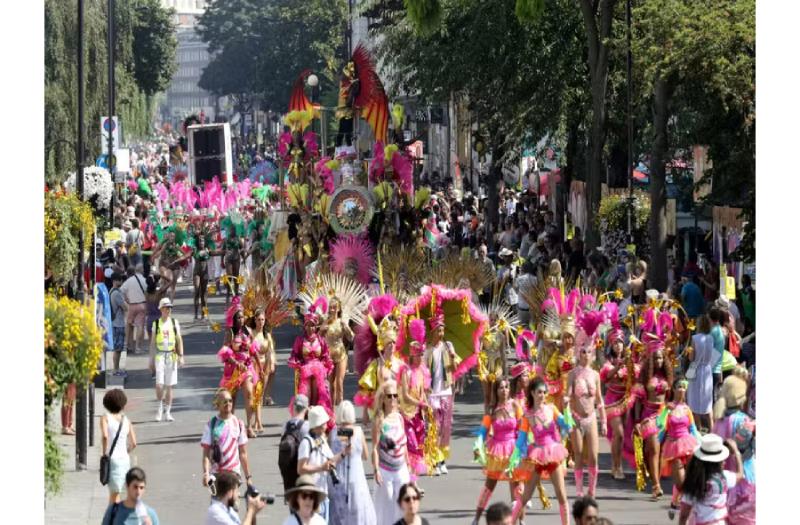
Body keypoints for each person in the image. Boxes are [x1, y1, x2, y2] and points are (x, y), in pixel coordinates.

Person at [511, 377, 573, 525]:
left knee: (562, 496)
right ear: (532, 393)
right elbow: (521, 439)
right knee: (525, 497)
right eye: (539, 392)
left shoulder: (552, 409)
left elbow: (567, 426)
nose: (543, 395)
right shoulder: (527, 415)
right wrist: (514, 458)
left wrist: (566, 408)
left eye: (545, 392)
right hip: (537, 457)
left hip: (553, 454)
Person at [471, 377, 523, 525]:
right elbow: (483, 430)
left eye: (506, 387)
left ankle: (519, 521)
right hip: (497, 450)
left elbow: (522, 429)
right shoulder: (492, 408)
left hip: (513, 449)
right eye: (501, 387)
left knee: (517, 489)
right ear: (496, 390)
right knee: (489, 486)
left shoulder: (515, 405)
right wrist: (478, 445)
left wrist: (520, 450)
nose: (504, 390)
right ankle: (476, 518)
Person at [567, 313, 606, 498]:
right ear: (578, 352)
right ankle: (579, 489)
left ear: (592, 354)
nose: (586, 355)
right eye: (583, 351)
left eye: (589, 352)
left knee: (594, 456)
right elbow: (567, 395)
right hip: (576, 418)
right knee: (579, 455)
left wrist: (603, 421)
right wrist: (566, 407)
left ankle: (592, 489)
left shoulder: (595, 375)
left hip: (591, 419)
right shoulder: (573, 374)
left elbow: (599, 398)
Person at [712, 367, 755, 524]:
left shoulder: (718, 419)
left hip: (724, 477)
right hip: (743, 475)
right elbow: (746, 448)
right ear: (741, 398)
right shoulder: (743, 420)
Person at [327, 401, 377, 525]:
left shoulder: (333, 433)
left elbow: (329, 456)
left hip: (338, 479)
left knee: (339, 512)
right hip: (356, 479)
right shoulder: (358, 431)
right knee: (358, 511)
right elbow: (365, 455)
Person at [599, 316, 636, 480]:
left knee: (622, 435)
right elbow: (605, 377)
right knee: (619, 433)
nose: (618, 345)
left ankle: (616, 464)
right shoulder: (608, 361)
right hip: (612, 401)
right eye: (615, 343)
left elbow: (636, 375)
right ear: (611, 345)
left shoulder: (629, 359)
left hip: (626, 400)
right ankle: (617, 466)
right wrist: (618, 367)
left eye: (620, 342)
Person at [678, 434, 744, 525]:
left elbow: (684, 515)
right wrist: (736, 453)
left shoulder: (693, 481)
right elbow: (740, 475)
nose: (724, 462)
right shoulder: (724, 477)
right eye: (722, 460)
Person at [423, 310, 458, 475]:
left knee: (445, 427)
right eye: (438, 330)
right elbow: (423, 372)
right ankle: (434, 460)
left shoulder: (448, 346)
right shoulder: (427, 349)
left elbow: (455, 369)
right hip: (432, 393)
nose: (441, 333)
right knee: (434, 428)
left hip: (446, 391)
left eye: (443, 330)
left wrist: (452, 357)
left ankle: (442, 460)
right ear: (433, 331)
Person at [660, 378, 701, 518]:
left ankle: (682, 508)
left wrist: (701, 445)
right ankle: (675, 503)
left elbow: (693, 429)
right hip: (673, 447)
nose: (682, 389)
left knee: (690, 481)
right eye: (679, 386)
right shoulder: (667, 407)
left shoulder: (687, 409)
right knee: (681, 482)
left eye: (684, 386)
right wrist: (666, 411)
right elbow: (660, 426)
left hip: (689, 445)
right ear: (673, 389)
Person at [298, 405, 347, 522]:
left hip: (323, 494)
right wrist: (321, 467)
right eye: (324, 423)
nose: (326, 426)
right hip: (311, 495)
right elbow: (300, 469)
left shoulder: (321, 440)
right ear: (317, 424)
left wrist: (344, 453)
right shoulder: (306, 443)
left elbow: (330, 460)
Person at [289, 304, 335, 425]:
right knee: (306, 396)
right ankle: (305, 419)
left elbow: (325, 355)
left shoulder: (321, 340)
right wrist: (296, 362)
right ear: (305, 326)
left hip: (319, 371)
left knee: (318, 394)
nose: (310, 328)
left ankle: (318, 418)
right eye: (308, 325)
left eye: (313, 326)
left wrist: (326, 364)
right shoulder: (300, 340)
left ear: (316, 326)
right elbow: (295, 354)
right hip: (305, 370)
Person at [372, 382, 411, 525]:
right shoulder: (379, 421)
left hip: (401, 468)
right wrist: (376, 470)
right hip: (385, 470)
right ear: (383, 399)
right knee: (386, 507)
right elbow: (375, 448)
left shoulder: (400, 418)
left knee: (403, 506)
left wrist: (408, 464)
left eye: (395, 396)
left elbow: (404, 443)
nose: (393, 399)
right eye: (389, 396)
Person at [398, 319, 431, 479]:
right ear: (413, 355)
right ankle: (409, 479)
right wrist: (420, 403)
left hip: (419, 416)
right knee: (410, 444)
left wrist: (426, 404)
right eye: (419, 355)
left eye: (422, 355)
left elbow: (422, 392)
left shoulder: (421, 372)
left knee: (418, 446)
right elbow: (404, 395)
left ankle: (413, 479)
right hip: (407, 415)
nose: (421, 358)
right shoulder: (406, 372)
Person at [201, 388, 253, 488]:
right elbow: (206, 454)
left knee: (232, 502)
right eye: (224, 401)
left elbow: (243, 453)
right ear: (217, 404)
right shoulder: (211, 425)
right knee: (217, 503)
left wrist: (248, 477)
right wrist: (206, 473)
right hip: (215, 475)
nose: (228, 403)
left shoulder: (238, 423)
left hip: (233, 474)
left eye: (230, 401)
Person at [147, 297, 184, 422]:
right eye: (166, 307)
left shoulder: (174, 322)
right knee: (159, 385)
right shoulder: (156, 324)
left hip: (171, 356)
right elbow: (152, 343)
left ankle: (168, 412)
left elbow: (179, 339)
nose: (168, 310)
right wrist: (150, 360)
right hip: (160, 356)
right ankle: (159, 407)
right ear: (161, 309)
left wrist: (181, 356)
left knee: (169, 386)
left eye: (170, 308)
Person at [217, 334, 260, 437]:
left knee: (249, 393)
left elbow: (253, 352)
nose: (241, 319)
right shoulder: (229, 332)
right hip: (231, 372)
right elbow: (225, 354)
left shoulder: (247, 331)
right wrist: (236, 363)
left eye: (242, 317)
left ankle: (249, 427)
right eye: (238, 317)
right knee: (231, 398)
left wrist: (260, 368)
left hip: (246, 370)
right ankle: (229, 426)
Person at [100, 389, 137, 504]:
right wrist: (126, 451)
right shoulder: (126, 420)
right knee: (119, 492)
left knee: (113, 494)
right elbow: (134, 443)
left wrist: (104, 453)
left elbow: (105, 436)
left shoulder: (105, 418)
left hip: (113, 459)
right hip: (125, 459)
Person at [321, 297, 354, 407]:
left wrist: (347, 329)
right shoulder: (326, 322)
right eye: (330, 307)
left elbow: (351, 338)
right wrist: (321, 330)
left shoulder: (342, 322)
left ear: (339, 309)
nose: (332, 310)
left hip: (341, 354)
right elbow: (318, 338)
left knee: (340, 383)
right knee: (332, 385)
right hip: (329, 356)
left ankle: (341, 411)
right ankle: (332, 412)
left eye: (335, 307)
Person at [687, 314, 716, 431]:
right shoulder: (711, 338)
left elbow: (691, 358)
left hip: (697, 370)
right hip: (708, 370)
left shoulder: (695, 338)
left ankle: (697, 429)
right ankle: (712, 429)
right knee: (707, 402)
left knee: (695, 401)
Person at [121, 265, 148, 355]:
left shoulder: (129, 280)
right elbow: (148, 292)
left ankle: (127, 345)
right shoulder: (144, 280)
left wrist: (126, 299)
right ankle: (137, 348)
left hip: (131, 305)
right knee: (140, 326)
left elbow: (121, 290)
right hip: (142, 304)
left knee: (129, 324)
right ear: (141, 270)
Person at [109, 272, 128, 376]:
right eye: (120, 280)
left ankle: (117, 369)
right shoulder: (116, 293)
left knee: (118, 349)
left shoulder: (112, 291)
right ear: (116, 281)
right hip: (118, 323)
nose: (121, 282)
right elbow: (125, 307)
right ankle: (115, 370)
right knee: (118, 349)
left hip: (116, 322)